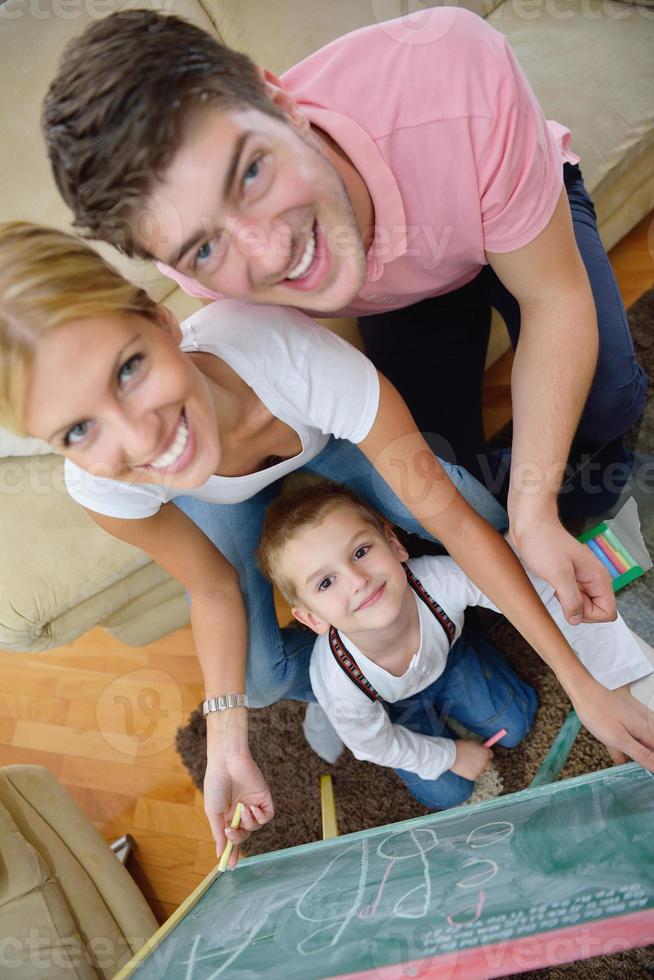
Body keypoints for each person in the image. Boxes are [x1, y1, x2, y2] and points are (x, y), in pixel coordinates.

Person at [3, 223, 652, 870]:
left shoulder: (289, 357)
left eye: (128, 369)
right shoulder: (104, 482)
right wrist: (229, 740)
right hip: (217, 498)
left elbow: (454, 526)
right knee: (254, 682)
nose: (139, 440)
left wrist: (582, 679)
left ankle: (427, 629)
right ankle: (370, 671)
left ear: (159, 319)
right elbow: (211, 589)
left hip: (322, 436)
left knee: (472, 505)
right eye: (78, 429)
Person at [42, 7, 648, 637]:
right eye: (204, 247)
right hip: (404, 297)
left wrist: (534, 509)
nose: (270, 253)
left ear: (279, 101)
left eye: (251, 172)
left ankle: (572, 491)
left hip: (505, 215)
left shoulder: (456, 71)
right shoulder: (206, 273)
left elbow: (554, 299)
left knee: (606, 399)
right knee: (447, 466)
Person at [257, 483, 654, 808]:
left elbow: (526, 592)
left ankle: (476, 652)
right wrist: (450, 755)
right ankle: (335, 717)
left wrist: (604, 678)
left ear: (395, 546)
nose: (357, 580)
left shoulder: (437, 581)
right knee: (448, 793)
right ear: (311, 619)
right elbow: (374, 745)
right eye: (326, 583)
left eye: (361, 552)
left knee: (517, 722)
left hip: (448, 658)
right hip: (392, 706)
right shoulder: (337, 682)